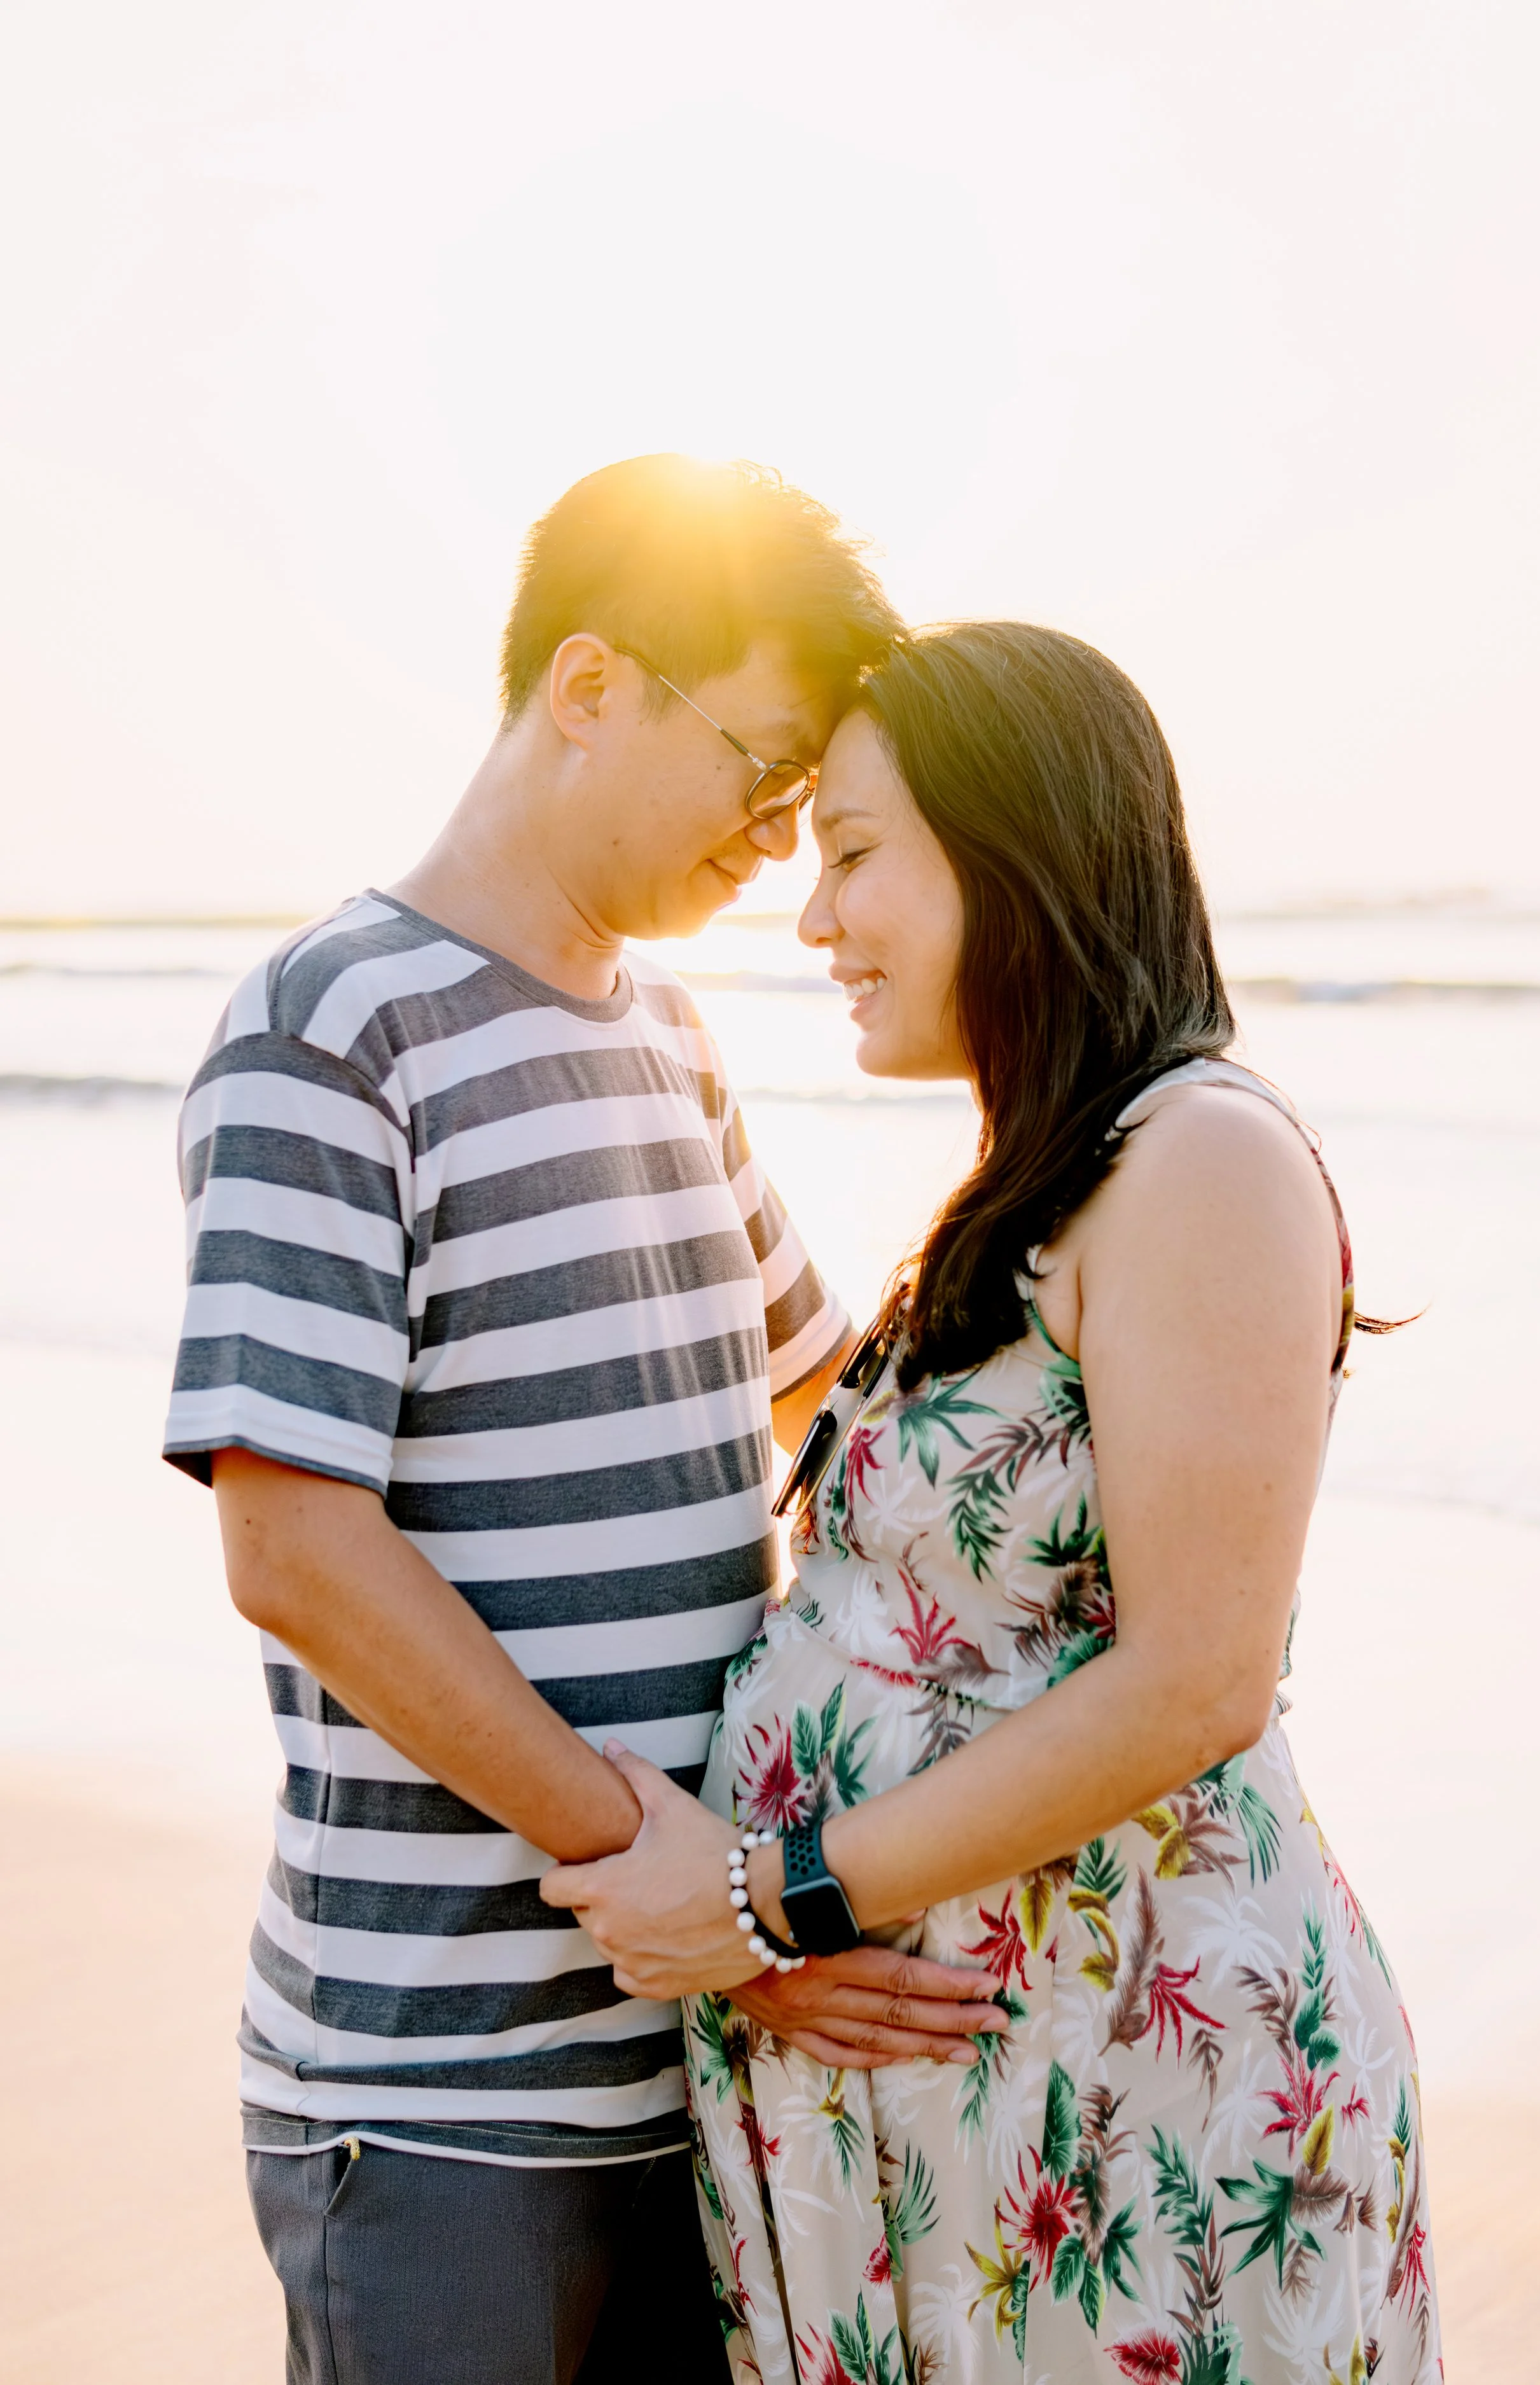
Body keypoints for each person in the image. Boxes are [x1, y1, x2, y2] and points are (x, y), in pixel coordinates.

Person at [160, 456, 1011, 2385]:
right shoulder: (332, 1025)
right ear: (593, 684)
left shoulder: (667, 1039)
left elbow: (825, 1382)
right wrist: (672, 1862)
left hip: (699, 2049)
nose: (780, 842)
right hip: (438, 2093)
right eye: (763, 773)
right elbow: (295, 1545)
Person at [541, 622, 1443, 2382]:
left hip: (1141, 2091)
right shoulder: (1032, 1191)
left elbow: (1195, 1678)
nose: (814, 920)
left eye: (856, 853)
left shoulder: (1201, 1157)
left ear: (1013, 849)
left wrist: (765, 1898)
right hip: (979, 2100)